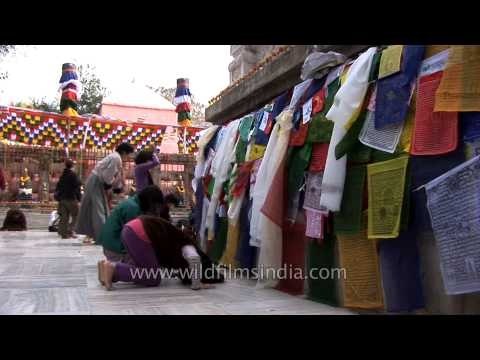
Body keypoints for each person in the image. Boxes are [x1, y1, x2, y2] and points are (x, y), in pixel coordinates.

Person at [97, 215, 224, 290]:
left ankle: (106, 269)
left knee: (142, 269)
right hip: (139, 233)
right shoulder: (185, 243)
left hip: (130, 229)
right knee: (153, 277)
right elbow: (194, 258)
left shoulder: (174, 238)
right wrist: (197, 283)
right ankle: (114, 269)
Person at [76, 143, 134, 244]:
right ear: (124, 152)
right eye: (129, 154)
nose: (129, 157)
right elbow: (107, 177)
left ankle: (96, 235)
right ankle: (102, 237)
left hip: (97, 182)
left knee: (97, 209)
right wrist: (112, 186)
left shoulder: (115, 157)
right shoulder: (116, 158)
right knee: (99, 210)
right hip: (97, 182)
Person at [97, 185, 165, 262]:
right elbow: (134, 237)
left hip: (111, 245)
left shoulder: (134, 203)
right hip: (115, 249)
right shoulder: (133, 208)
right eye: (156, 207)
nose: (156, 211)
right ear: (151, 202)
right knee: (146, 261)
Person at [55, 159, 82, 239]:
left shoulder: (63, 175)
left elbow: (58, 186)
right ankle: (70, 230)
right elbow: (78, 184)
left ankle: (63, 233)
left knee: (64, 216)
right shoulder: (73, 175)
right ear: (72, 166)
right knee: (77, 215)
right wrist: (79, 197)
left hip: (62, 198)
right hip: (71, 198)